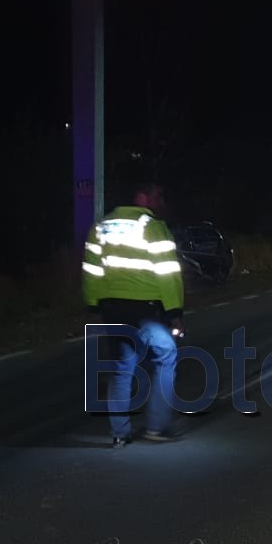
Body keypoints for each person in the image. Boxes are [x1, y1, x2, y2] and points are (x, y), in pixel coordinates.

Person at [82, 182, 184, 448]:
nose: (161, 201)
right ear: (141, 197)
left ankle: (119, 433)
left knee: (121, 366)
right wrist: (174, 312)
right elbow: (168, 274)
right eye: (157, 196)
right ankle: (157, 427)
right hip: (144, 310)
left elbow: (91, 270)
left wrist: (93, 304)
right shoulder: (153, 227)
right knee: (167, 353)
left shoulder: (100, 227)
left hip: (112, 308)